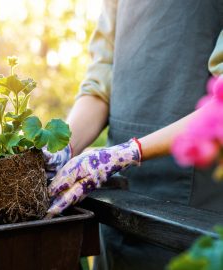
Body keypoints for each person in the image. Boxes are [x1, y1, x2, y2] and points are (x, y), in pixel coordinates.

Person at [44, 0, 223, 269]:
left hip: (189, 207)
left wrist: (129, 152)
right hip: (116, 195)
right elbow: (99, 84)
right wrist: (65, 148)